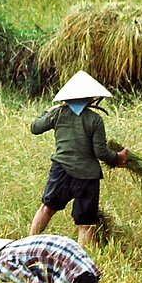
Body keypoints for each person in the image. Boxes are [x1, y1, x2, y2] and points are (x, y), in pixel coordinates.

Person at [29, 70, 128, 247]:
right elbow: (100, 152)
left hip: (60, 171)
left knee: (47, 208)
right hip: (87, 177)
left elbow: (35, 128)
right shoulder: (95, 120)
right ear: (90, 98)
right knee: (86, 222)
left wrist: (49, 109)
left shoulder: (57, 114)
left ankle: (28, 244)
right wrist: (117, 158)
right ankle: (82, 258)